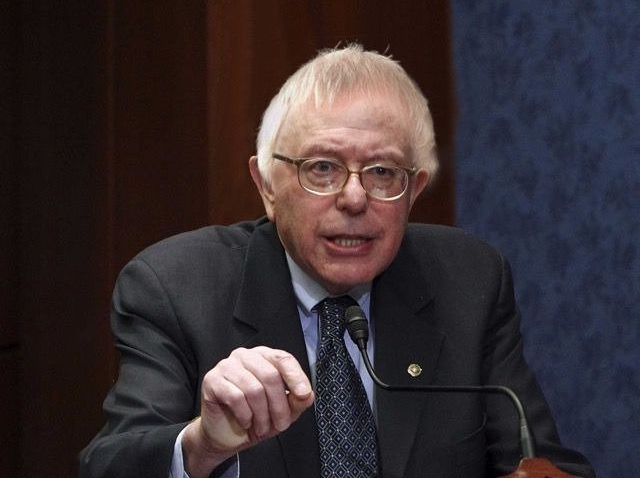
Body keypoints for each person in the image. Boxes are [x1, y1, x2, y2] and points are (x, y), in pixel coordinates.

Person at [79, 45, 594, 478]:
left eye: (382, 172)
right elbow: (108, 465)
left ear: (414, 191)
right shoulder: (176, 287)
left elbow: (543, 463)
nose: (353, 198)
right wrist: (202, 446)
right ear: (266, 186)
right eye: (322, 168)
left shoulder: (469, 281)